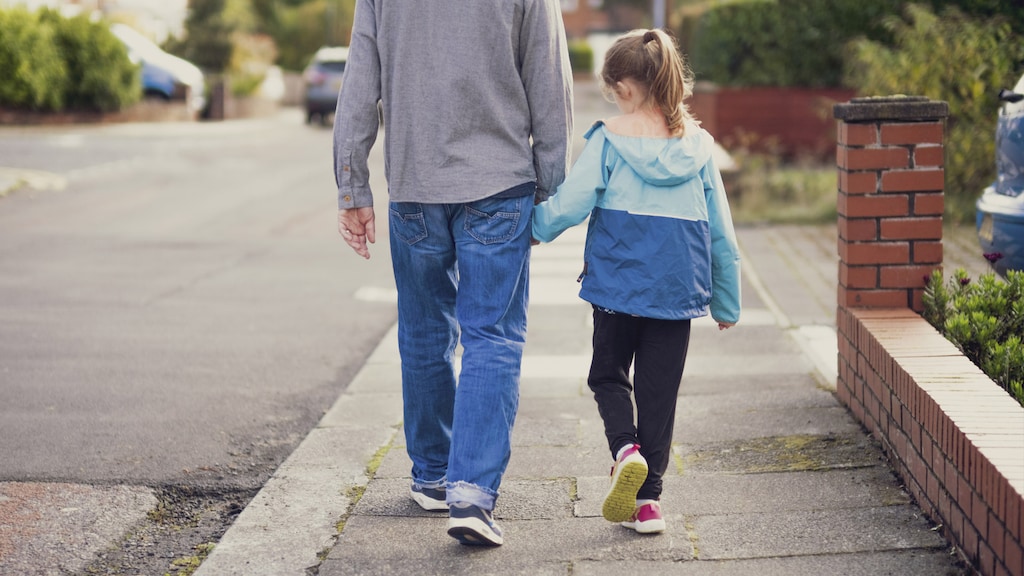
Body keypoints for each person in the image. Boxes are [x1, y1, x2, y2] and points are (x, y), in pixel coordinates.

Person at [332, 0, 573, 547]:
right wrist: (550, 187)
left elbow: (359, 82)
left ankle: (433, 476)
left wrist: (353, 186)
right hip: (501, 182)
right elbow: (550, 83)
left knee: (422, 329)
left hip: (414, 185)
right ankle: (472, 493)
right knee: (492, 337)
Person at [532, 28, 740, 534]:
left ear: (626, 87)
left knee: (607, 375)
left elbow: (572, 203)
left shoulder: (608, 138)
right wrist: (726, 303)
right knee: (659, 395)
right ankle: (648, 505)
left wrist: (532, 229)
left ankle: (624, 450)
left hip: (617, 285)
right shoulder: (698, 148)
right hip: (676, 288)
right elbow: (722, 235)